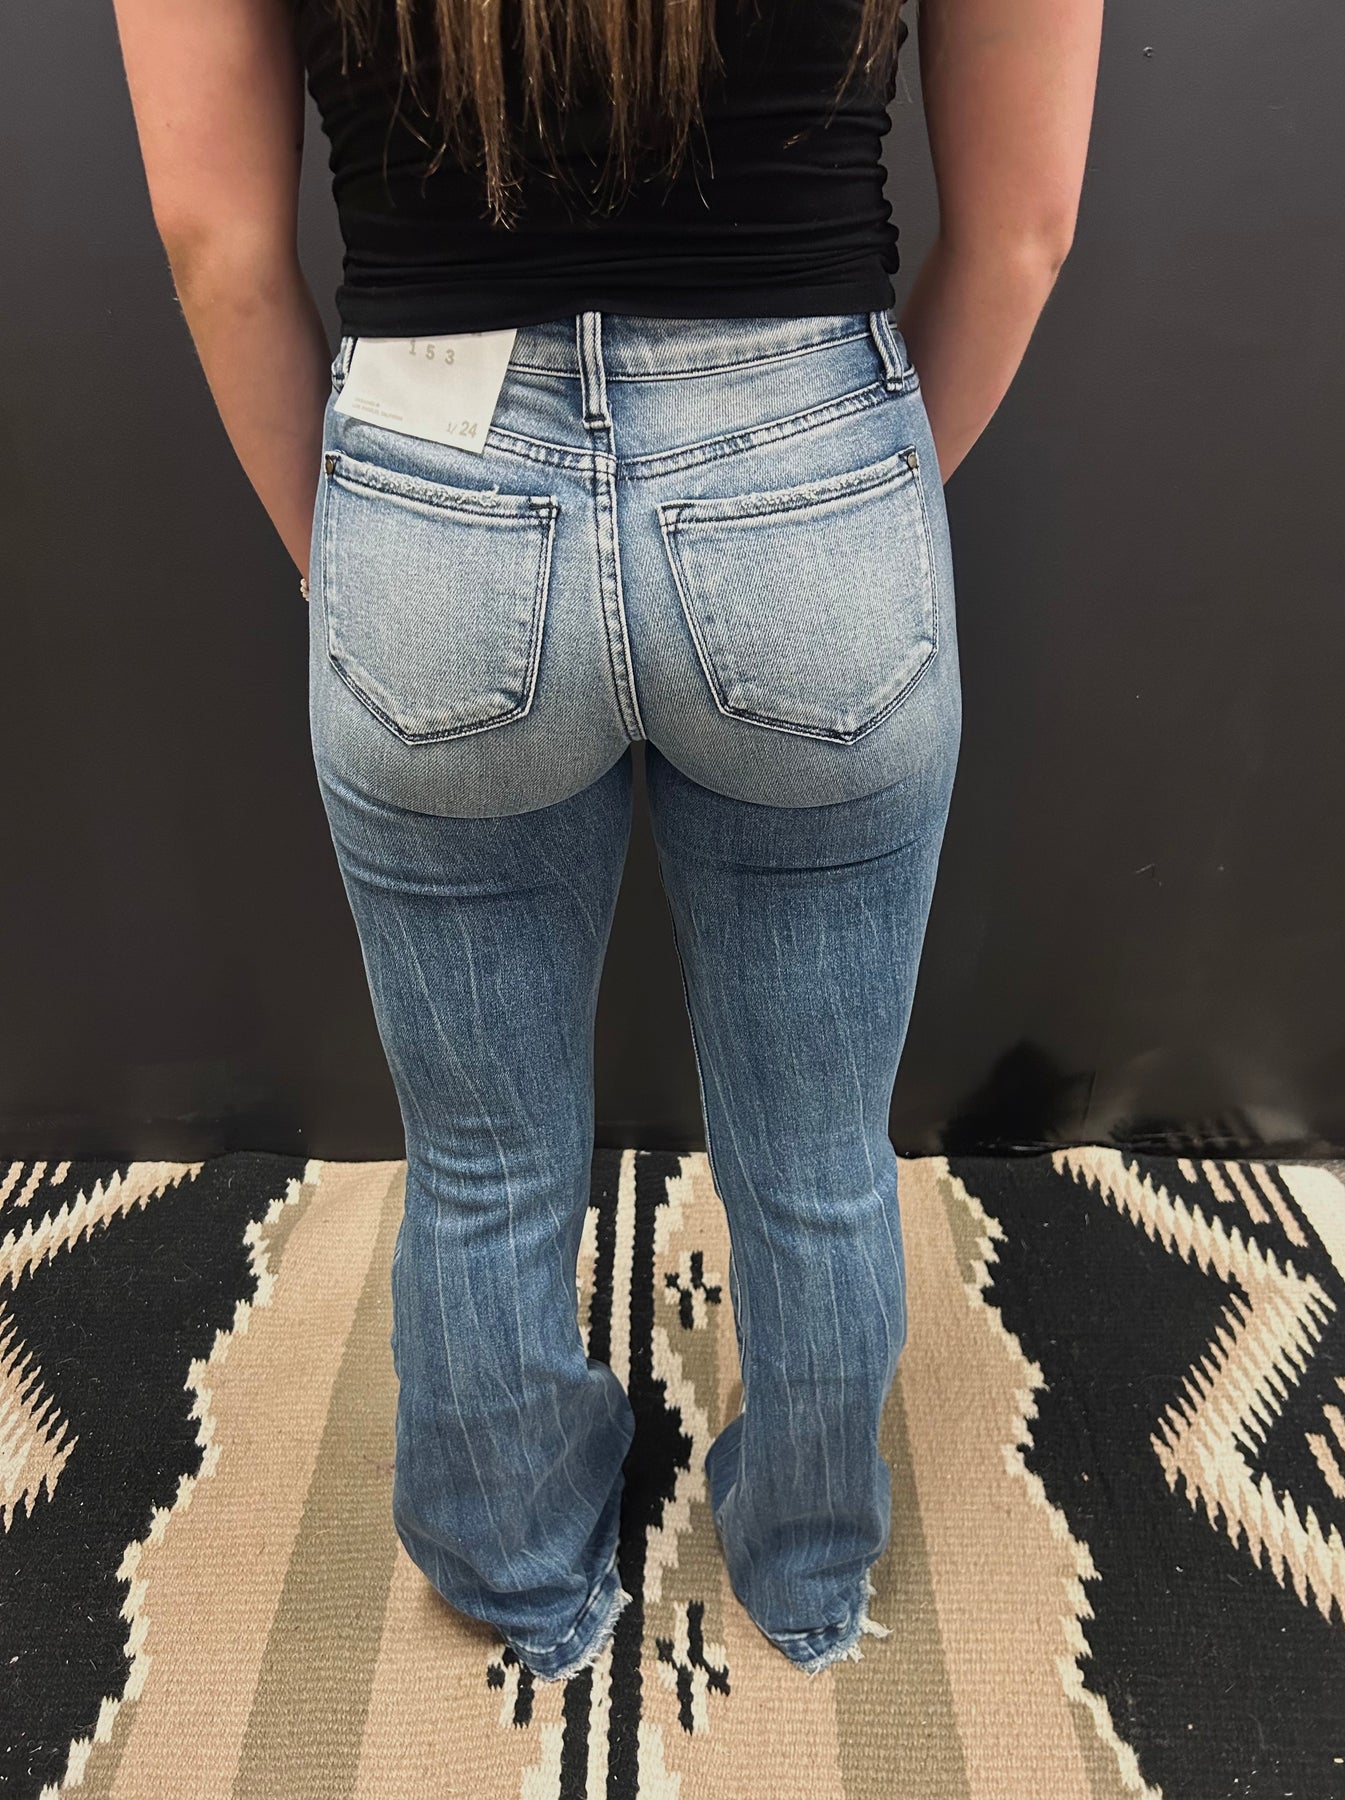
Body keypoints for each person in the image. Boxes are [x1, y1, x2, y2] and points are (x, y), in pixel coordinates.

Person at [111, 0, 1102, 1682]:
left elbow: (218, 244)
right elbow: (1021, 231)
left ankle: (517, 1572)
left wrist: (353, 573)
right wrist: (833, 519)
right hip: (808, 470)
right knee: (816, 1155)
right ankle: (804, 1568)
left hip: (432, 492)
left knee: (482, 1157)